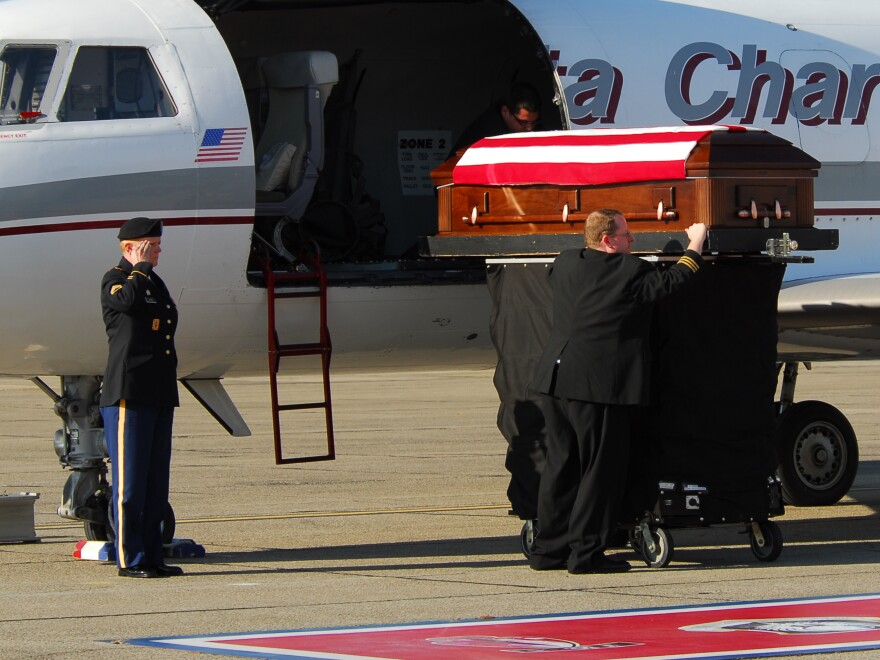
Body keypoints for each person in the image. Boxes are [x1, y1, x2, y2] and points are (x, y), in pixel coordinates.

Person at [528, 209, 707, 574]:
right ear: (608, 241)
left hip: (556, 381)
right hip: (599, 386)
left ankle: (548, 550)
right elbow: (672, 281)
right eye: (626, 234)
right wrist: (696, 242)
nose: (633, 240)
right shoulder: (630, 271)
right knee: (599, 471)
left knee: (561, 467)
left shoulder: (564, 263)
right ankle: (586, 554)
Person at [99, 216, 182, 578]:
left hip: (158, 391)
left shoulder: (153, 281)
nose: (159, 250)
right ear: (132, 247)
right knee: (130, 483)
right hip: (129, 393)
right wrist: (141, 267)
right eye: (152, 245)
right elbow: (128, 303)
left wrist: (147, 269)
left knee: (154, 482)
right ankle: (129, 559)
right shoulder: (116, 280)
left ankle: (151, 555)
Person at [451, 81, 542, 154]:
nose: (530, 129)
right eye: (524, 123)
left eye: (534, 122)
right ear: (505, 111)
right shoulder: (490, 132)